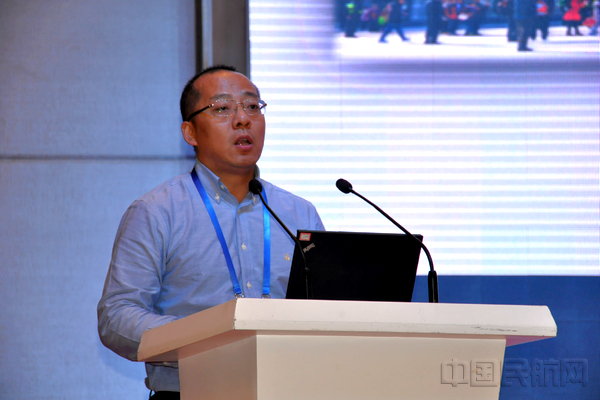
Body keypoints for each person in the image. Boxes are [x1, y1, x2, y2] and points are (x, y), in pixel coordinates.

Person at [97, 65, 325, 399]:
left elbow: (326, 310)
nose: (242, 119)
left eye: (252, 106)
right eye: (222, 108)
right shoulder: (156, 211)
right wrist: (204, 339)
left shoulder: (299, 213)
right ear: (190, 132)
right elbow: (117, 316)